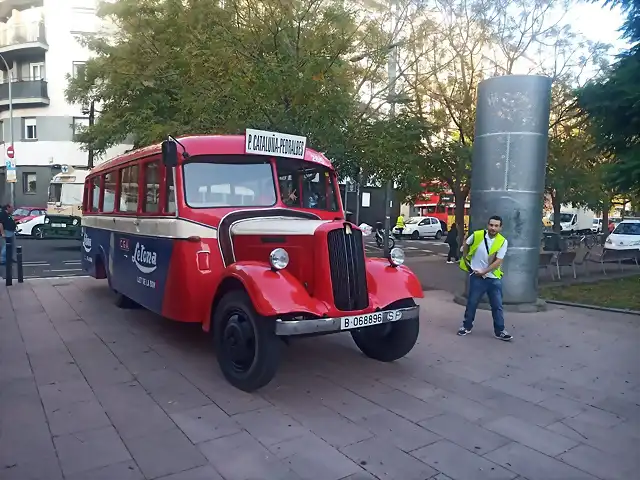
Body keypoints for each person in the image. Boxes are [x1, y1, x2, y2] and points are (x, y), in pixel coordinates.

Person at [457, 215, 512, 341]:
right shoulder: (477, 235)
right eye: (491, 225)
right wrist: (468, 262)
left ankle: (500, 331)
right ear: (487, 225)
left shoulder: (503, 241)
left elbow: (498, 261)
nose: (493, 228)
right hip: (477, 277)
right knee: (472, 303)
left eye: (496, 226)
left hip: (493, 278)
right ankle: (466, 326)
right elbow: (465, 246)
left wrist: (484, 271)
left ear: (500, 228)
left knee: (497, 305)